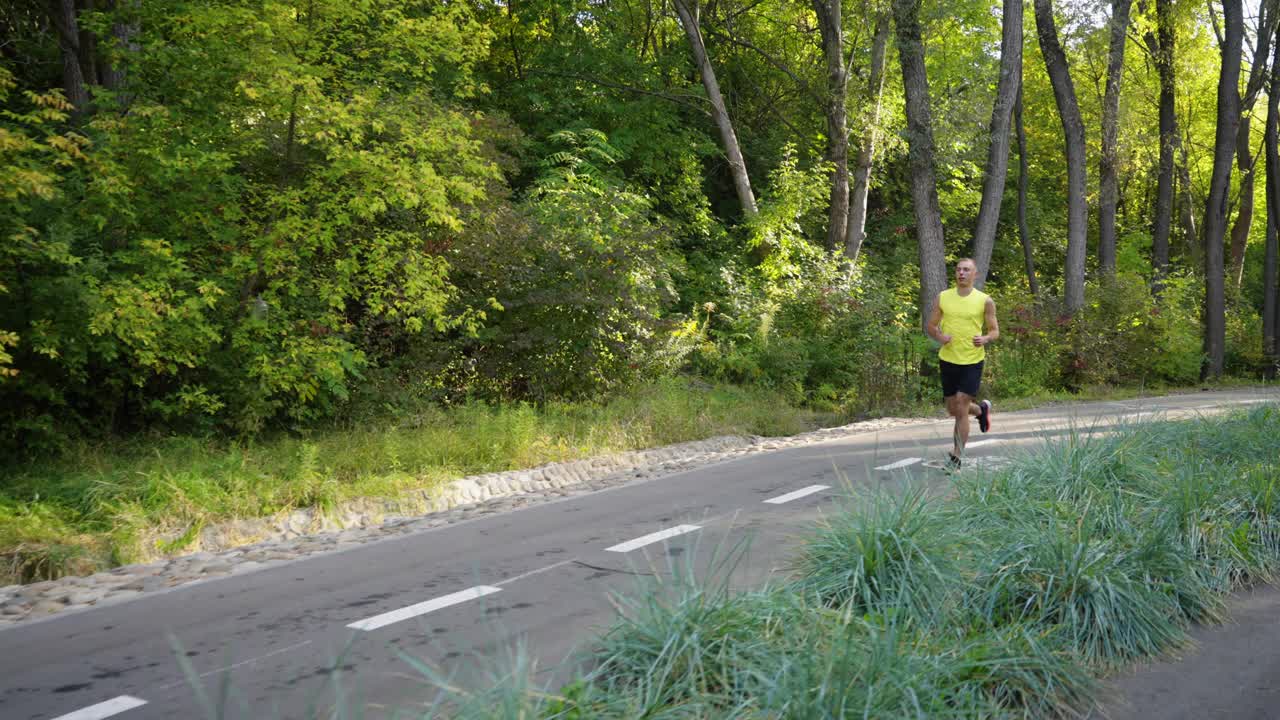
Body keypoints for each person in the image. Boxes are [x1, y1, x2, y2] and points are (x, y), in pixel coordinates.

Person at [925, 258, 999, 469]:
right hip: (948, 359)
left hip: (972, 359)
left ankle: (956, 456)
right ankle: (981, 411)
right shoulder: (944, 297)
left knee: (961, 404)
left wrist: (985, 339)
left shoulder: (985, 300)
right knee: (953, 409)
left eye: (966, 270)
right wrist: (940, 337)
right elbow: (931, 325)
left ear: (975, 274)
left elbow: (995, 331)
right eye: (958, 269)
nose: (961, 273)